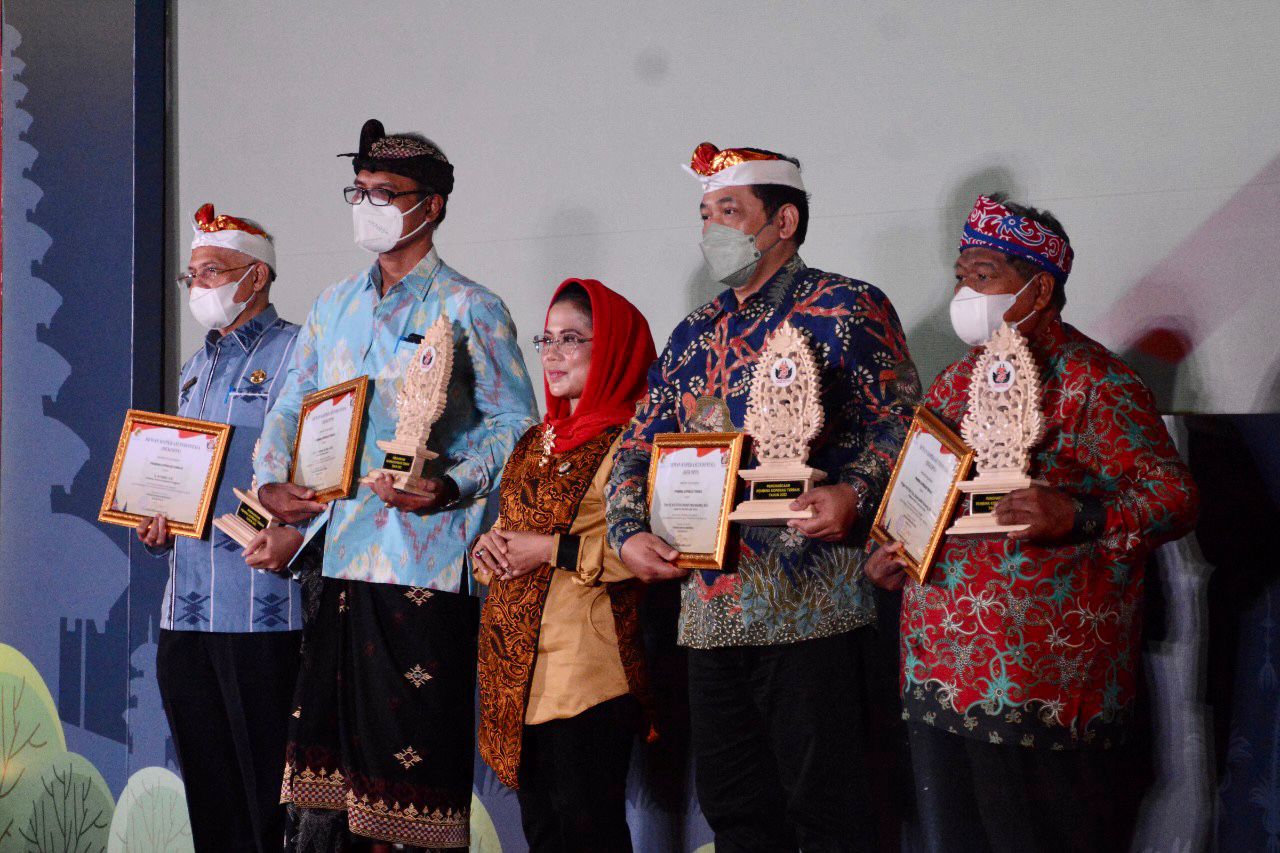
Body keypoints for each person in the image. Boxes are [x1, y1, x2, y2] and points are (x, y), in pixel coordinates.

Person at [605, 142, 919, 851]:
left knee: (834, 814)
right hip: (709, 613)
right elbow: (636, 445)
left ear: (784, 221)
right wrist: (627, 531)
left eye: (729, 210)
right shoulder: (693, 333)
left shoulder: (848, 307)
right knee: (735, 812)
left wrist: (856, 491)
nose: (710, 228)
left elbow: (902, 422)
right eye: (704, 213)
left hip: (816, 606)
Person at [866, 194, 1200, 852]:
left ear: (1040, 289)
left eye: (984, 275)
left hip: (1043, 688)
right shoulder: (953, 384)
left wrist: (1079, 513)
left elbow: (1174, 496)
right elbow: (919, 497)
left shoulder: (1096, 384)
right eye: (961, 276)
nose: (965, 292)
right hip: (937, 678)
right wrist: (890, 550)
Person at [254, 119, 538, 850]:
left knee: (408, 792)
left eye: (386, 193)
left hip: (422, 566)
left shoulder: (471, 306)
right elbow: (291, 405)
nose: (368, 206)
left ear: (431, 205)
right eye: (360, 191)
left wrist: (452, 485)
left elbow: (517, 426)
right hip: (337, 560)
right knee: (324, 795)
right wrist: (271, 480)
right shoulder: (334, 305)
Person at [136, 203, 304, 851]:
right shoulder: (193, 368)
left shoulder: (301, 353)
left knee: (270, 805)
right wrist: (159, 520)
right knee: (211, 803)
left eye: (212, 271)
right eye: (193, 275)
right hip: (186, 613)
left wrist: (291, 532)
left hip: (263, 612)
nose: (198, 286)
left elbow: (323, 472)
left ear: (256, 275)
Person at [472, 278, 657, 853]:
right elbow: (509, 535)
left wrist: (550, 550)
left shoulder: (635, 443)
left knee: (588, 832)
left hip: (589, 672)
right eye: (546, 339)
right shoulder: (534, 441)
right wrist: (487, 551)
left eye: (571, 339)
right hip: (518, 676)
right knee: (542, 832)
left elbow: (650, 554)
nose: (552, 354)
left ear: (612, 348)